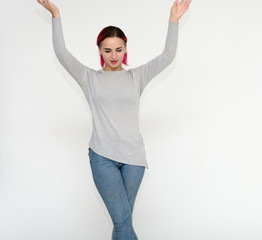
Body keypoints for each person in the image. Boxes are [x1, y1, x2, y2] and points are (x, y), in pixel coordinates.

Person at [37, 0, 191, 239]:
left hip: (134, 160)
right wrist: (56, 14)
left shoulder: (136, 77)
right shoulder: (89, 78)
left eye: (119, 49)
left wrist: (173, 20)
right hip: (102, 157)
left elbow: (167, 56)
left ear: (125, 48)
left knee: (122, 223)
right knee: (122, 223)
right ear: (99, 50)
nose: (114, 55)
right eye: (107, 50)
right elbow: (62, 53)